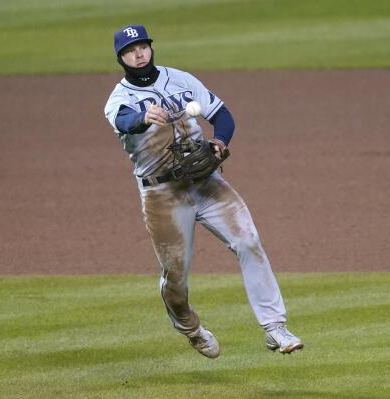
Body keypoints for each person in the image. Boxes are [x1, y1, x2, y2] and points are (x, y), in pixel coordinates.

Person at [104, 24, 303, 358]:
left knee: (248, 241)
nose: (138, 53)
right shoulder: (120, 99)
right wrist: (143, 116)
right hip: (162, 196)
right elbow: (124, 121)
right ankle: (189, 326)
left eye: (142, 46)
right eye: (129, 50)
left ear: (151, 48)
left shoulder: (181, 79)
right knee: (176, 276)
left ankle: (275, 328)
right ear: (121, 58)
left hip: (206, 183)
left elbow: (222, 115)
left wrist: (218, 141)